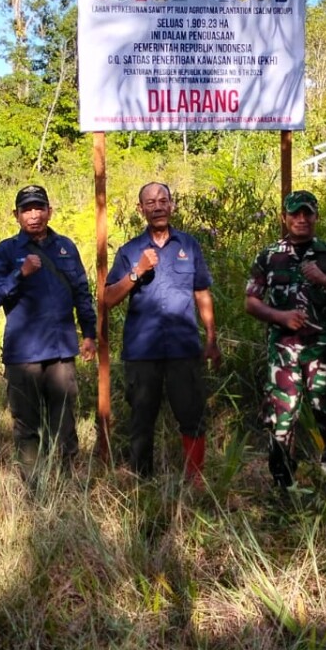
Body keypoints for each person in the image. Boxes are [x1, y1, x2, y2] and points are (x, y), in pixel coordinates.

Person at [104, 182, 221, 483]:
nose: (157, 206)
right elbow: (107, 298)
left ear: (172, 205)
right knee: (142, 419)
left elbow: (202, 292)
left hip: (183, 348)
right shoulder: (130, 251)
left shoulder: (189, 245)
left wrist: (211, 338)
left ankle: (195, 481)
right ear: (140, 209)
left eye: (163, 200)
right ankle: (143, 483)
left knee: (192, 416)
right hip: (142, 351)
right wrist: (137, 271)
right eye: (150, 202)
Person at [245, 190, 326, 490]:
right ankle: (284, 483)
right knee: (281, 418)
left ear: (316, 216)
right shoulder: (269, 256)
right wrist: (280, 317)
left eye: (307, 213)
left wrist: (323, 279)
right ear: (284, 217)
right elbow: (251, 302)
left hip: (322, 352)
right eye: (295, 213)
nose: (301, 219)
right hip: (283, 352)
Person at [0, 184, 96, 475]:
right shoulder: (6, 251)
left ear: (49, 211)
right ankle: (34, 486)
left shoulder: (65, 247)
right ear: (16, 215)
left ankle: (67, 484)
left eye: (39, 208)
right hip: (24, 355)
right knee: (27, 425)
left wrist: (90, 334)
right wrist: (19, 274)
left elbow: (82, 292)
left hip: (61, 351)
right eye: (26, 209)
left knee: (65, 424)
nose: (34, 215)